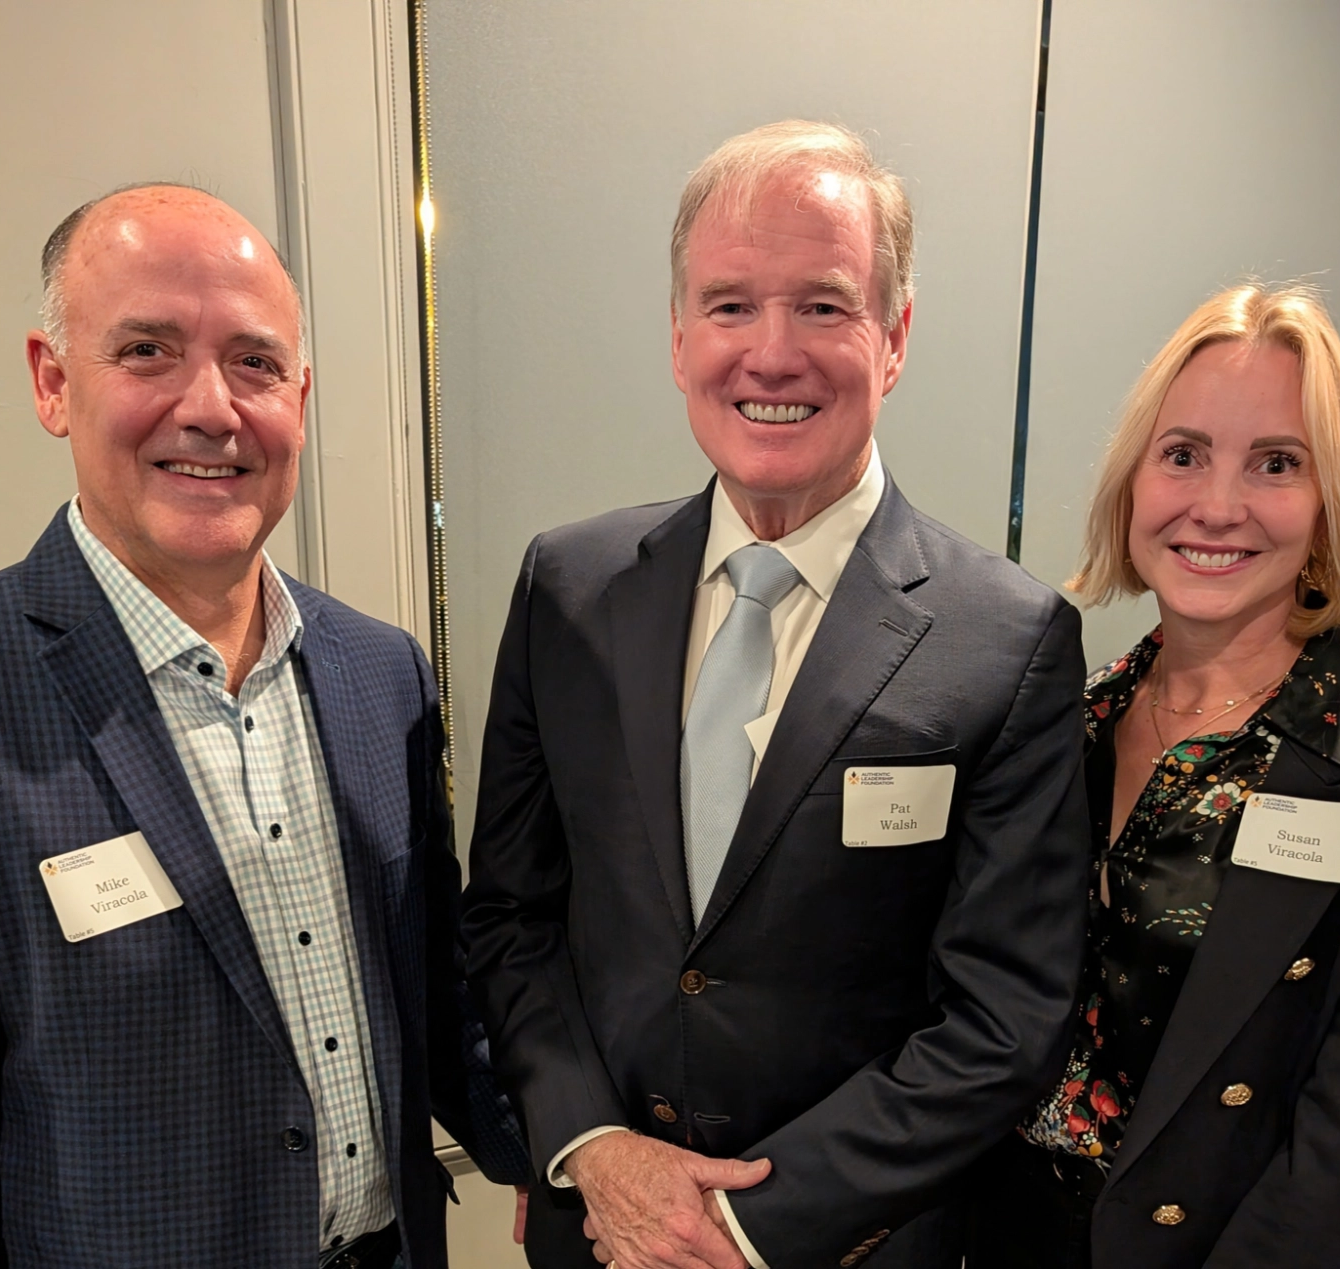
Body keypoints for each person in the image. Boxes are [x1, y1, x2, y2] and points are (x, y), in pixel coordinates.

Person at [462, 120, 1092, 1269]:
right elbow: (511, 917)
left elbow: (1005, 1017)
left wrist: (747, 1223)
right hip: (597, 1231)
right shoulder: (570, 589)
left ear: (894, 339)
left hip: (849, 1245)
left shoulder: (1009, 640)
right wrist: (589, 1146)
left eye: (822, 305)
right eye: (730, 305)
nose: (771, 353)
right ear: (679, 338)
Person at [0, 184, 528, 1268]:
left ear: (301, 396)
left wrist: (576, 1158)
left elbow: (438, 1001)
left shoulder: (381, 672)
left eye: (254, 362)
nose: (211, 409)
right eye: (146, 351)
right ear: (53, 382)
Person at [962, 284, 1340, 1268]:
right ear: (1134, 481)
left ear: (1331, 502)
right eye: (1183, 454)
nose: (1216, 505)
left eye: (1277, 463)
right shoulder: (1066, 720)